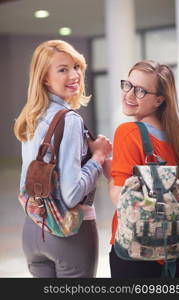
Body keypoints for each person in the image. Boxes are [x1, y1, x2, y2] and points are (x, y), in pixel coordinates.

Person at [14, 39, 112, 278]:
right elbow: (71, 194)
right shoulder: (69, 120)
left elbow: (26, 183)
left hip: (33, 231)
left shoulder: (31, 115)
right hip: (70, 235)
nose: (74, 75)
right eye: (62, 69)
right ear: (45, 78)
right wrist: (98, 157)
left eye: (76, 66)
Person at [108, 60, 179, 278]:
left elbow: (122, 200)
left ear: (159, 100)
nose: (129, 94)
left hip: (137, 253)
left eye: (141, 91)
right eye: (128, 85)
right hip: (176, 252)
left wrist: (107, 173)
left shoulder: (129, 132)